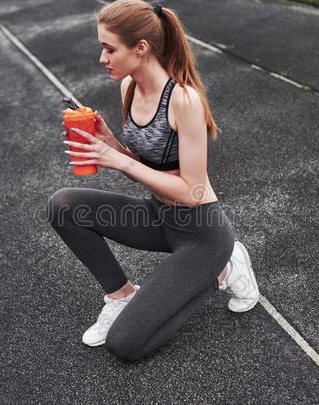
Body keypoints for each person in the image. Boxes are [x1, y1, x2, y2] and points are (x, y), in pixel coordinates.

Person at [48, 0, 259, 362]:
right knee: (64, 206)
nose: (102, 58)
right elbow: (152, 166)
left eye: (109, 48)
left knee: (125, 345)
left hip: (201, 233)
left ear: (141, 48)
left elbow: (192, 191)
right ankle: (121, 295)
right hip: (159, 218)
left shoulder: (184, 100)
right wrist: (113, 145)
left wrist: (117, 162)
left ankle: (225, 267)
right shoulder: (128, 87)